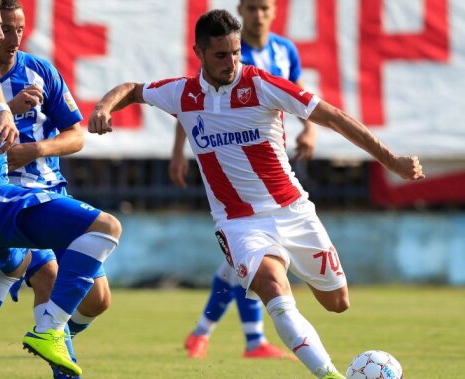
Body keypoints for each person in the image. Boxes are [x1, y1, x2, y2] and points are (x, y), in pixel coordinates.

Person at [88, 9, 423, 379]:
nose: (231, 62)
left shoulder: (263, 85)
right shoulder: (182, 93)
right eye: (221, 54)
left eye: (236, 53)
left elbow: (334, 117)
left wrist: (390, 159)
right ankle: (329, 375)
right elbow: (132, 90)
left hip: (293, 210)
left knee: (337, 302)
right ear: (198, 51)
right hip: (238, 222)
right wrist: (103, 107)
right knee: (274, 290)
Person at [0, 1, 120, 378]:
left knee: (25, 268)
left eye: (14, 28)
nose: (5, 36)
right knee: (105, 229)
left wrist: (17, 125)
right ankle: (51, 331)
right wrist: (5, 110)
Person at [169, 0, 313, 359]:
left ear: (274, 12)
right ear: (241, 11)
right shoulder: (227, 51)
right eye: (251, 8)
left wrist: (309, 130)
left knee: (239, 264)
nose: (258, 15)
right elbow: (191, 100)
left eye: (264, 8)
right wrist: (178, 152)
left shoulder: (284, 50)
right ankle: (250, 340)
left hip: (271, 166)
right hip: (233, 171)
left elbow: (298, 91)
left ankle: (206, 332)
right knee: (245, 263)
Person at [0, 1, 112, 378]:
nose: (14, 39)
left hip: (52, 192)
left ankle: (54, 332)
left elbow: (76, 136)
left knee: (97, 300)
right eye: (6, 30)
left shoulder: (40, 71)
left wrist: (36, 149)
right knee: (48, 275)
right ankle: (64, 366)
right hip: (6, 198)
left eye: (20, 29)